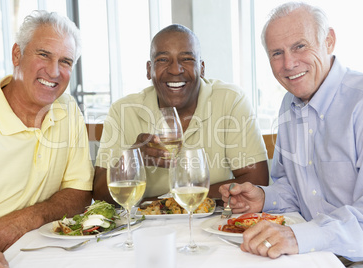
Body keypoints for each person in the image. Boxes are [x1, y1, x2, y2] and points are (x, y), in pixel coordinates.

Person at [219, 2, 363, 265]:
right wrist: (264, 197)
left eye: (299, 46)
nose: (289, 63)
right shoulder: (288, 105)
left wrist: (299, 237)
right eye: (277, 53)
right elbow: (293, 188)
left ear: (329, 41)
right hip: (314, 254)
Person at [93, 24, 269, 203]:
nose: (175, 69)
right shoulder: (123, 110)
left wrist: (166, 202)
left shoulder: (231, 100)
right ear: (149, 69)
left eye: (186, 59)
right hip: (147, 229)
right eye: (162, 59)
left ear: (201, 68)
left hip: (213, 224)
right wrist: (132, 158)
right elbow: (99, 194)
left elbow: (257, 182)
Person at [0, 10, 93, 264]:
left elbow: (80, 191)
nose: (54, 71)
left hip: (50, 251)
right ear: (17, 55)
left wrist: (31, 216)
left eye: (66, 62)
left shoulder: (68, 109)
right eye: (44, 54)